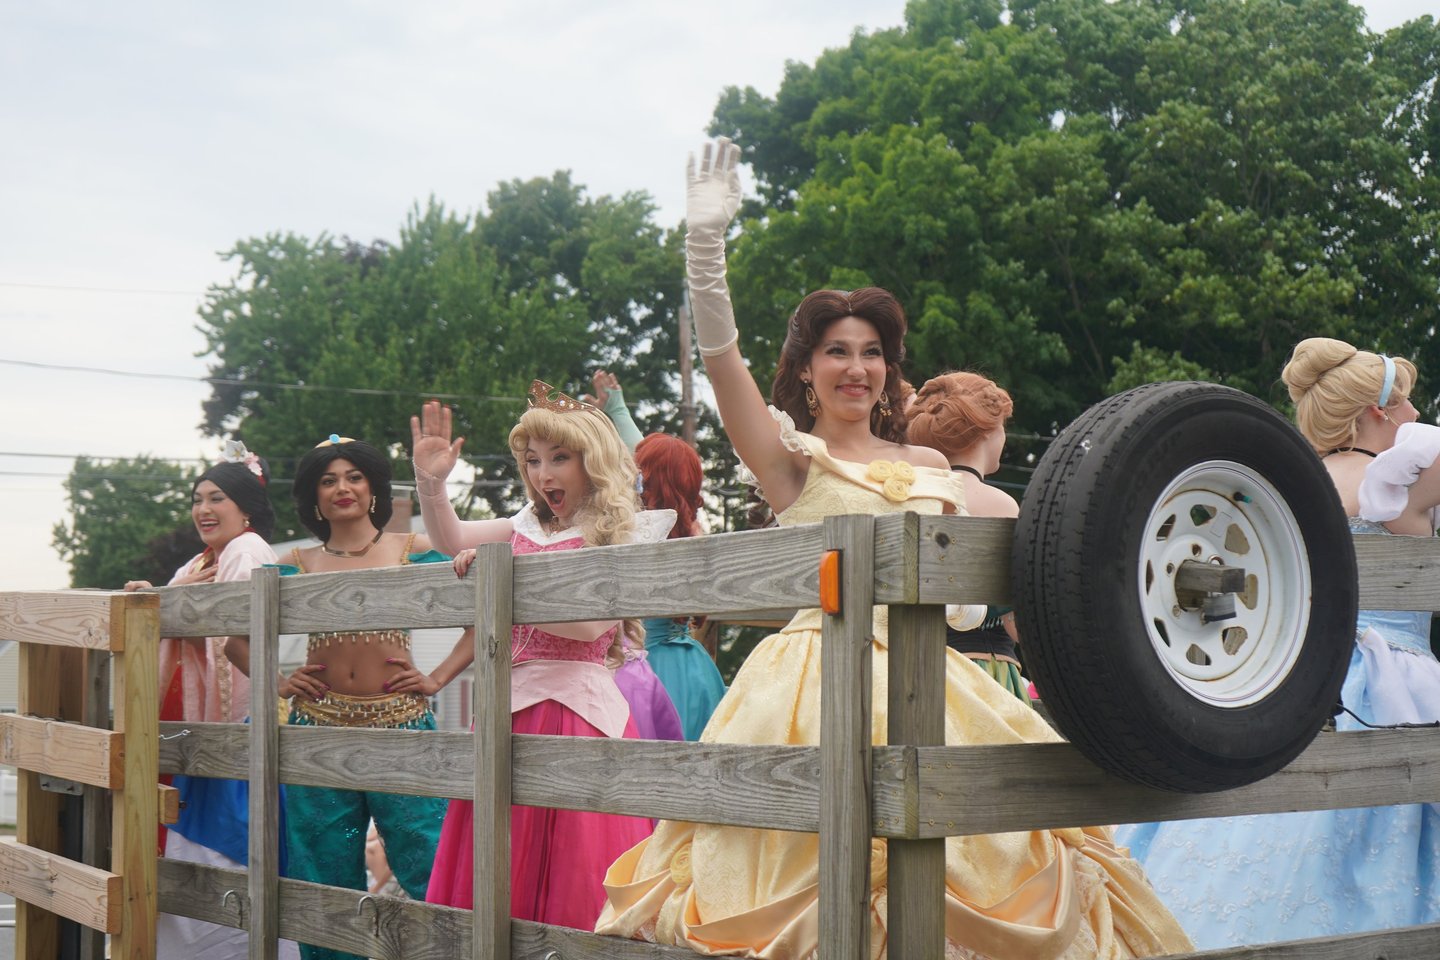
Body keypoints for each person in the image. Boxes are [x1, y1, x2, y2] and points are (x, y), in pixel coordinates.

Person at [593, 137, 1193, 958]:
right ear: (806, 369)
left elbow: (1007, 585)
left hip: (935, 679)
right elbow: (720, 358)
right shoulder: (787, 457)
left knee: (998, 848)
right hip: (810, 689)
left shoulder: (930, 466)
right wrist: (706, 246)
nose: (857, 367)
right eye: (837, 350)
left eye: (871, 352)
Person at [1117, 338, 1440, 948]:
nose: (1417, 415)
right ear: (1376, 414)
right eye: (1407, 403)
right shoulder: (1401, 478)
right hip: (1389, 681)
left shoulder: (1285, 489)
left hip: (1285, 678)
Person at [412, 384, 672, 928]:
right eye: (532, 461)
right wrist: (433, 483)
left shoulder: (623, 533)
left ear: (591, 460)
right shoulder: (522, 528)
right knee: (497, 868)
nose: (543, 475)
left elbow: (588, 626)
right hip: (507, 713)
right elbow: (449, 535)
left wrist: (498, 585)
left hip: (580, 716)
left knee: (579, 870)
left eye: (559, 459)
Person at [227, 436, 452, 960]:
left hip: (403, 726)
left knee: (429, 864)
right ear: (314, 497)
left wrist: (437, 678)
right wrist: (278, 684)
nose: (342, 488)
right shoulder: (295, 563)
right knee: (323, 875)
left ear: (372, 486)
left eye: (353, 476)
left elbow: (480, 608)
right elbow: (234, 635)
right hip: (318, 733)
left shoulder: (411, 550)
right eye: (328, 480)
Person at [125, 443, 300, 960]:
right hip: (202, 742)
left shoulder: (246, 550)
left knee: (219, 864)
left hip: (230, 738)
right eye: (197, 498)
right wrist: (156, 594)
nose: (203, 508)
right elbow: (176, 601)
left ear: (245, 508)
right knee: (198, 866)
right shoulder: (208, 558)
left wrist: (165, 600)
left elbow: (232, 640)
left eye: (216, 498)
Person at [589, 370, 727, 739]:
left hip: (645, 671)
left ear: (642, 479)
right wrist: (617, 410)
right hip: (695, 671)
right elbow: (651, 459)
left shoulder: (637, 532)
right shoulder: (692, 532)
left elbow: (640, 461)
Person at [907, 371, 1028, 701]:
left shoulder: (911, 499)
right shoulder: (1001, 504)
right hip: (984, 671)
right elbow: (1016, 621)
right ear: (986, 433)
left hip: (914, 671)